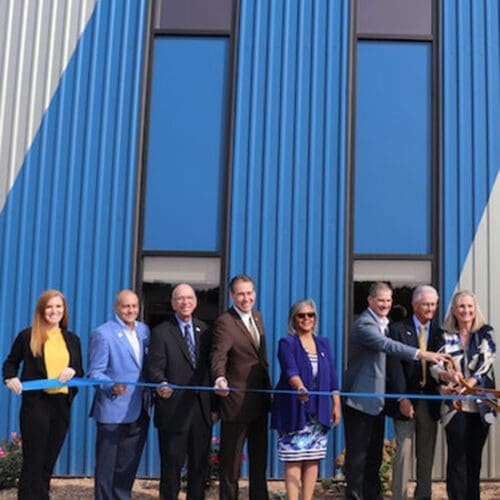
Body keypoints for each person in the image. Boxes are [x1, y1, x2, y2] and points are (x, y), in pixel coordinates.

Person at [342, 282, 449, 500]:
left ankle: (373, 496)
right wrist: (423, 354)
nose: (385, 304)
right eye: (380, 300)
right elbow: (389, 347)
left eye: (389, 300)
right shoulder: (365, 325)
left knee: (374, 458)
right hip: (360, 401)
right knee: (357, 458)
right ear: (370, 301)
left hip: (378, 402)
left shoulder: (385, 323)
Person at [2, 289, 83, 500]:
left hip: (61, 406)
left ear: (64, 310)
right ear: (41, 310)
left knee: (49, 461)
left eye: (59, 306)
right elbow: (10, 364)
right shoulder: (27, 335)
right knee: (33, 461)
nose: (54, 311)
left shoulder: (72, 339)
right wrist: (10, 379)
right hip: (37, 406)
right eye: (49, 307)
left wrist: (73, 370)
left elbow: (80, 370)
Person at [145, 283, 213, 499]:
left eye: (189, 298)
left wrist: (216, 407)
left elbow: (212, 370)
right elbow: (154, 368)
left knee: (200, 467)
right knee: (172, 467)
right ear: (173, 304)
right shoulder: (161, 332)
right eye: (180, 299)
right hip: (173, 410)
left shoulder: (206, 331)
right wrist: (161, 384)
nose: (185, 302)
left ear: (195, 301)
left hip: (201, 411)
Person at [271, 299, 341, 500]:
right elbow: (290, 369)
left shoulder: (323, 343)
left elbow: (332, 377)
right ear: (294, 319)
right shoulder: (287, 343)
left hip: (318, 411)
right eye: (301, 315)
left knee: (312, 459)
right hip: (294, 408)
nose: (306, 319)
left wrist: (336, 404)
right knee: (294, 459)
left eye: (310, 315)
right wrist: (299, 386)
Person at [430, 290, 496, 500]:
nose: (466, 311)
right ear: (453, 310)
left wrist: (471, 383)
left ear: (475, 309)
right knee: (457, 458)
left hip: (481, 405)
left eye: (469, 306)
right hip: (454, 405)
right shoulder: (443, 334)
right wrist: (445, 375)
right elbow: (435, 365)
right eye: (461, 306)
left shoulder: (486, 332)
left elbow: (487, 361)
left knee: (474, 459)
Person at [211, 274, 272, 500]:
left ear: (254, 294)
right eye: (240, 294)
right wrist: (219, 378)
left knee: (259, 461)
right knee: (231, 464)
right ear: (232, 295)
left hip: (260, 400)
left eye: (249, 293)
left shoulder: (257, 317)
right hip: (235, 404)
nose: (245, 298)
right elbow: (219, 355)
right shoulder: (225, 322)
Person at [88, 289, 150, 500]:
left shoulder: (144, 331)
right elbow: (95, 372)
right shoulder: (103, 333)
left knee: (127, 465)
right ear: (117, 308)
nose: (130, 310)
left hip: (139, 408)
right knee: (107, 467)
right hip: (113, 410)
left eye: (134, 306)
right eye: (126, 306)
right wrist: (111, 385)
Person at [386, 285, 442, 500]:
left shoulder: (439, 333)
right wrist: (402, 397)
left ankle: (423, 496)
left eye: (433, 304)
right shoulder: (397, 330)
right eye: (425, 304)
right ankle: (399, 496)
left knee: (426, 456)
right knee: (403, 453)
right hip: (406, 401)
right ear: (414, 304)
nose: (430, 308)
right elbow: (395, 367)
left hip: (430, 402)